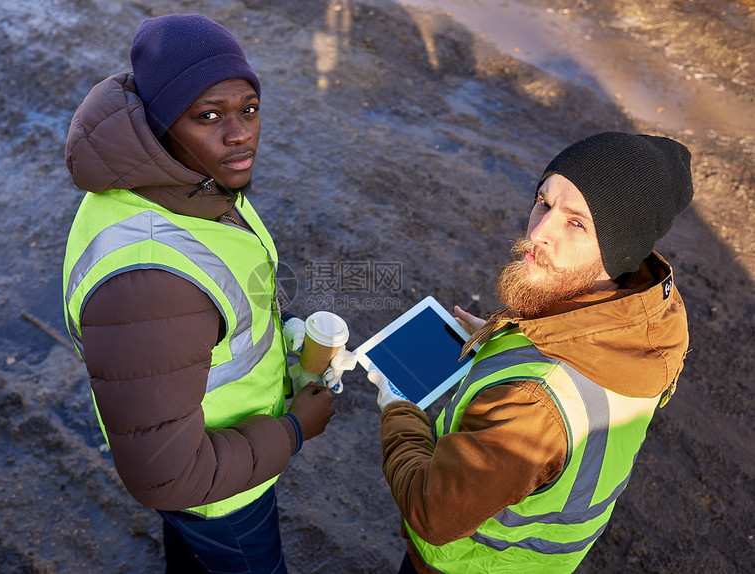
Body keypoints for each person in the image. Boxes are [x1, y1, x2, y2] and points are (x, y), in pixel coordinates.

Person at [61, 14, 336, 573]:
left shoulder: (190, 185)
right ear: (160, 123)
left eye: (249, 109)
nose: (241, 134)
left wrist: (276, 333)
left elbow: (219, 294)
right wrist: (293, 429)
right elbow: (166, 475)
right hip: (221, 497)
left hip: (223, 452)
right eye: (208, 115)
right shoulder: (151, 285)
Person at [368, 132, 693, 573]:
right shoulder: (645, 318)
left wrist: (399, 409)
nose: (538, 233)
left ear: (621, 248)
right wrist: (509, 336)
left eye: (576, 223)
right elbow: (578, 376)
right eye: (544, 201)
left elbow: (432, 514)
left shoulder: (532, 402)